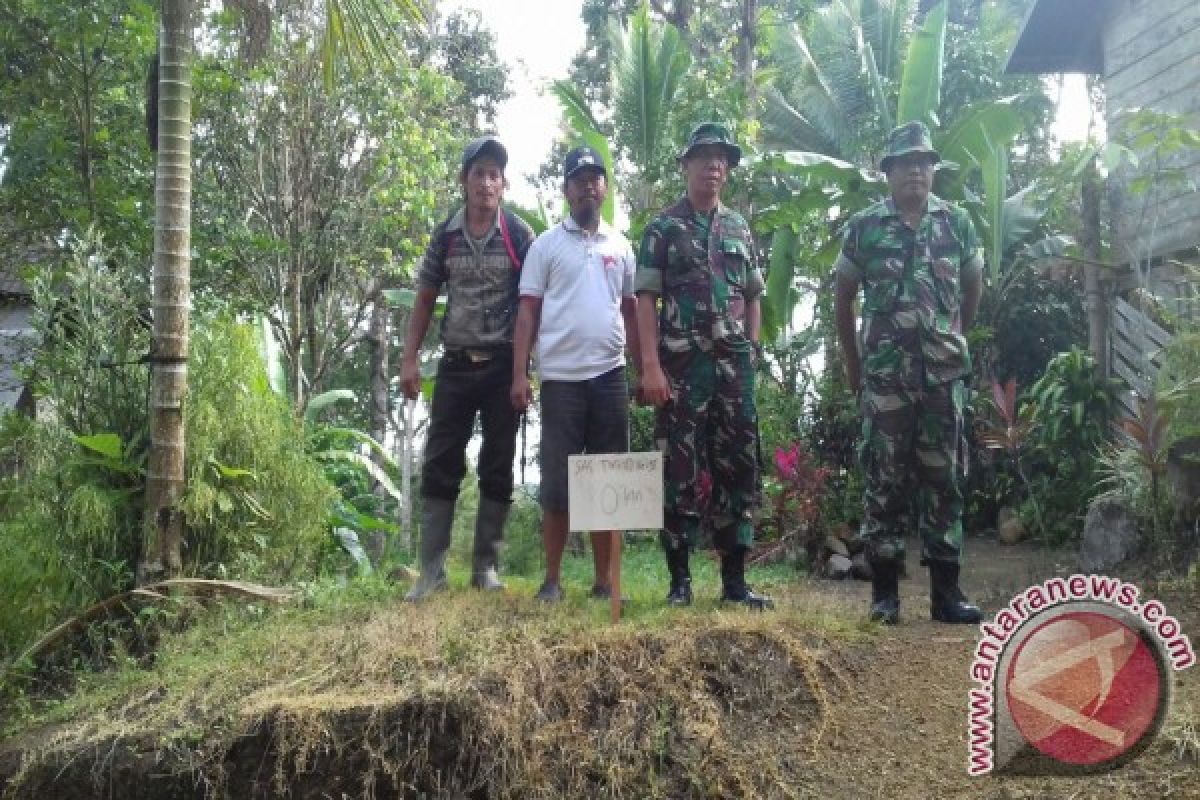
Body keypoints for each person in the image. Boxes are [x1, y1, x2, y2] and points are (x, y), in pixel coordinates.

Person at [833, 120, 984, 626]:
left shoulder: (957, 224)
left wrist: (952, 338)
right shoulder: (865, 227)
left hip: (943, 378)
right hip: (885, 379)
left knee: (946, 481)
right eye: (905, 164)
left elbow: (972, 289)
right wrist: (856, 371)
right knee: (884, 481)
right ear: (889, 173)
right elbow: (843, 299)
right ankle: (884, 596)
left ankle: (947, 595)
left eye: (923, 163)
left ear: (932, 170)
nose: (915, 172)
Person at [636, 122, 772, 610]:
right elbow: (644, 301)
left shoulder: (738, 227)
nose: (715, 165)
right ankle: (680, 582)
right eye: (705, 157)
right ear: (686, 165)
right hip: (681, 369)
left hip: (735, 373)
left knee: (739, 468)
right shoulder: (662, 229)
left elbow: (754, 295)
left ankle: (735, 583)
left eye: (722, 159)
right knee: (680, 471)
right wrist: (649, 366)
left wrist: (752, 350)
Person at [400, 135, 535, 601]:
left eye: (494, 174)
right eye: (478, 173)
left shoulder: (519, 236)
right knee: (440, 462)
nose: (485, 182)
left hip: (502, 368)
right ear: (464, 180)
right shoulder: (446, 235)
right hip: (455, 365)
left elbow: (530, 307)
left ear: (503, 183)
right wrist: (410, 358)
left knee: (497, 463)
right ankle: (431, 571)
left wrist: (524, 372)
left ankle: (485, 567)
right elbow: (423, 299)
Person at [510, 145, 641, 603]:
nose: (588, 184)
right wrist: (520, 374)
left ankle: (605, 582)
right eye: (579, 178)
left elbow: (631, 312)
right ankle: (552, 579)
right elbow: (527, 314)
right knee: (558, 482)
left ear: (605, 188)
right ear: (566, 190)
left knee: (609, 477)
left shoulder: (621, 246)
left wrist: (644, 370)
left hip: (610, 376)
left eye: (595, 177)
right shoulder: (545, 246)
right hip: (561, 379)